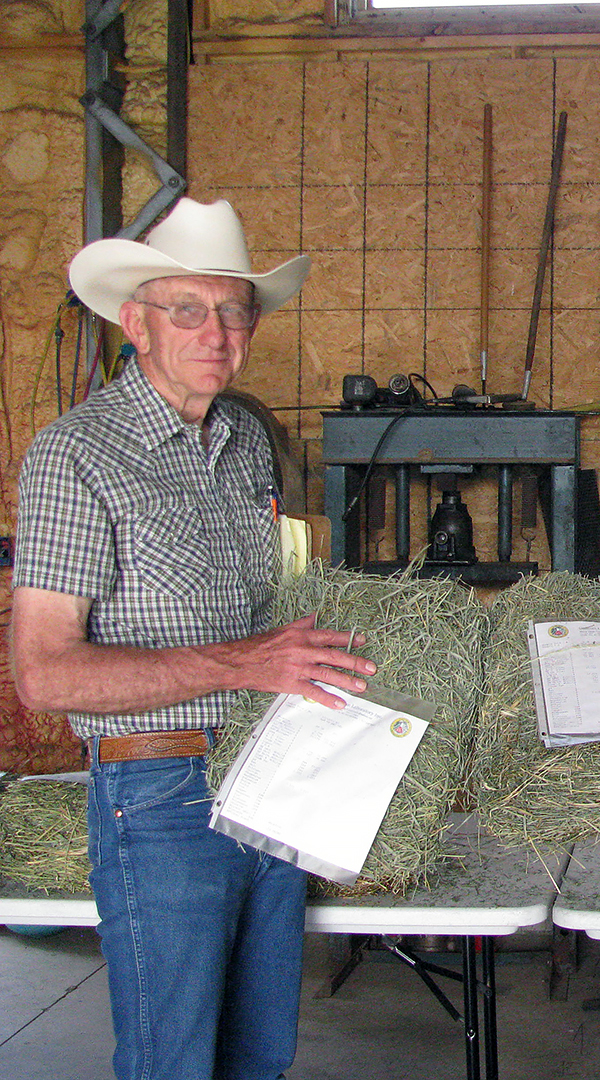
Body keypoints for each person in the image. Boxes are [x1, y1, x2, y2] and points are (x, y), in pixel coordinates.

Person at [11, 197, 377, 1080]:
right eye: (187, 310)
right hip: (161, 791)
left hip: (273, 775)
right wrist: (247, 662)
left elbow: (269, 612)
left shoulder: (247, 442)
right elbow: (43, 675)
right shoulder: (76, 454)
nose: (214, 332)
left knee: (258, 1055)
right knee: (173, 1059)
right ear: (136, 323)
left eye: (233, 310)